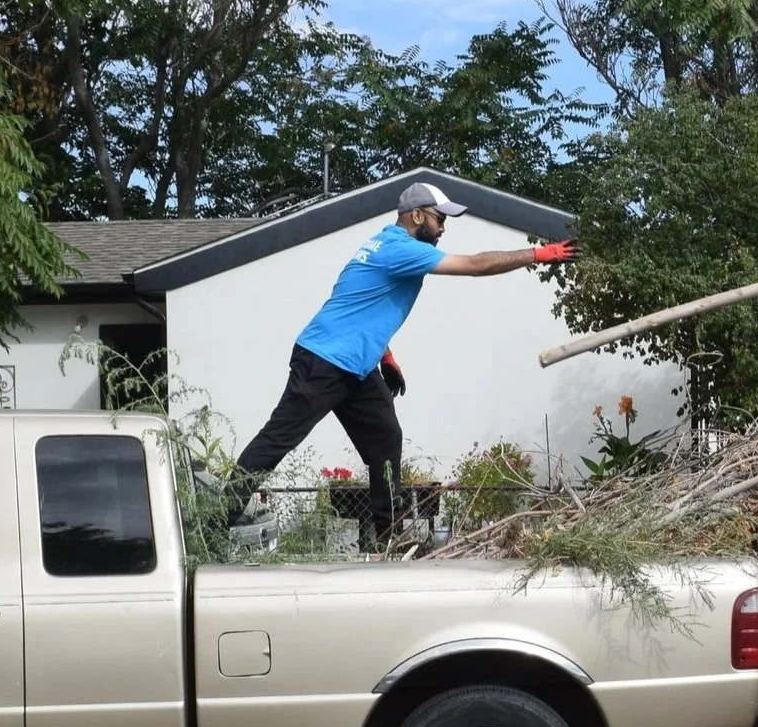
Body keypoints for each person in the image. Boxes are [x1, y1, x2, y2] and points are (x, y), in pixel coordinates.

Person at [222, 180, 576, 544]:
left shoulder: (380, 243)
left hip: (355, 365)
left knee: (386, 440)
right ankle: (217, 521)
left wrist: (385, 355)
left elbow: (359, 304)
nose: (443, 228)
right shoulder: (402, 249)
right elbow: (474, 265)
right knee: (279, 438)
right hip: (324, 361)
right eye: (440, 220)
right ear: (417, 215)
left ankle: (388, 537)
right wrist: (540, 254)